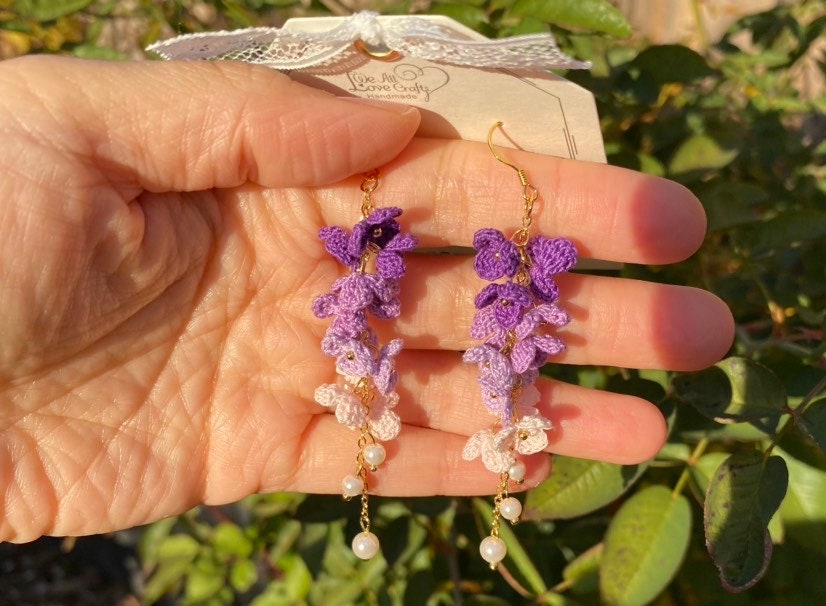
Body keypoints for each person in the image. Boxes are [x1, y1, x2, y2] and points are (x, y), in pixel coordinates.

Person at [0, 56, 734, 544]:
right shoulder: (361, 283)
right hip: (377, 287)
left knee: (488, 369)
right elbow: (357, 312)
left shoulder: (493, 292)